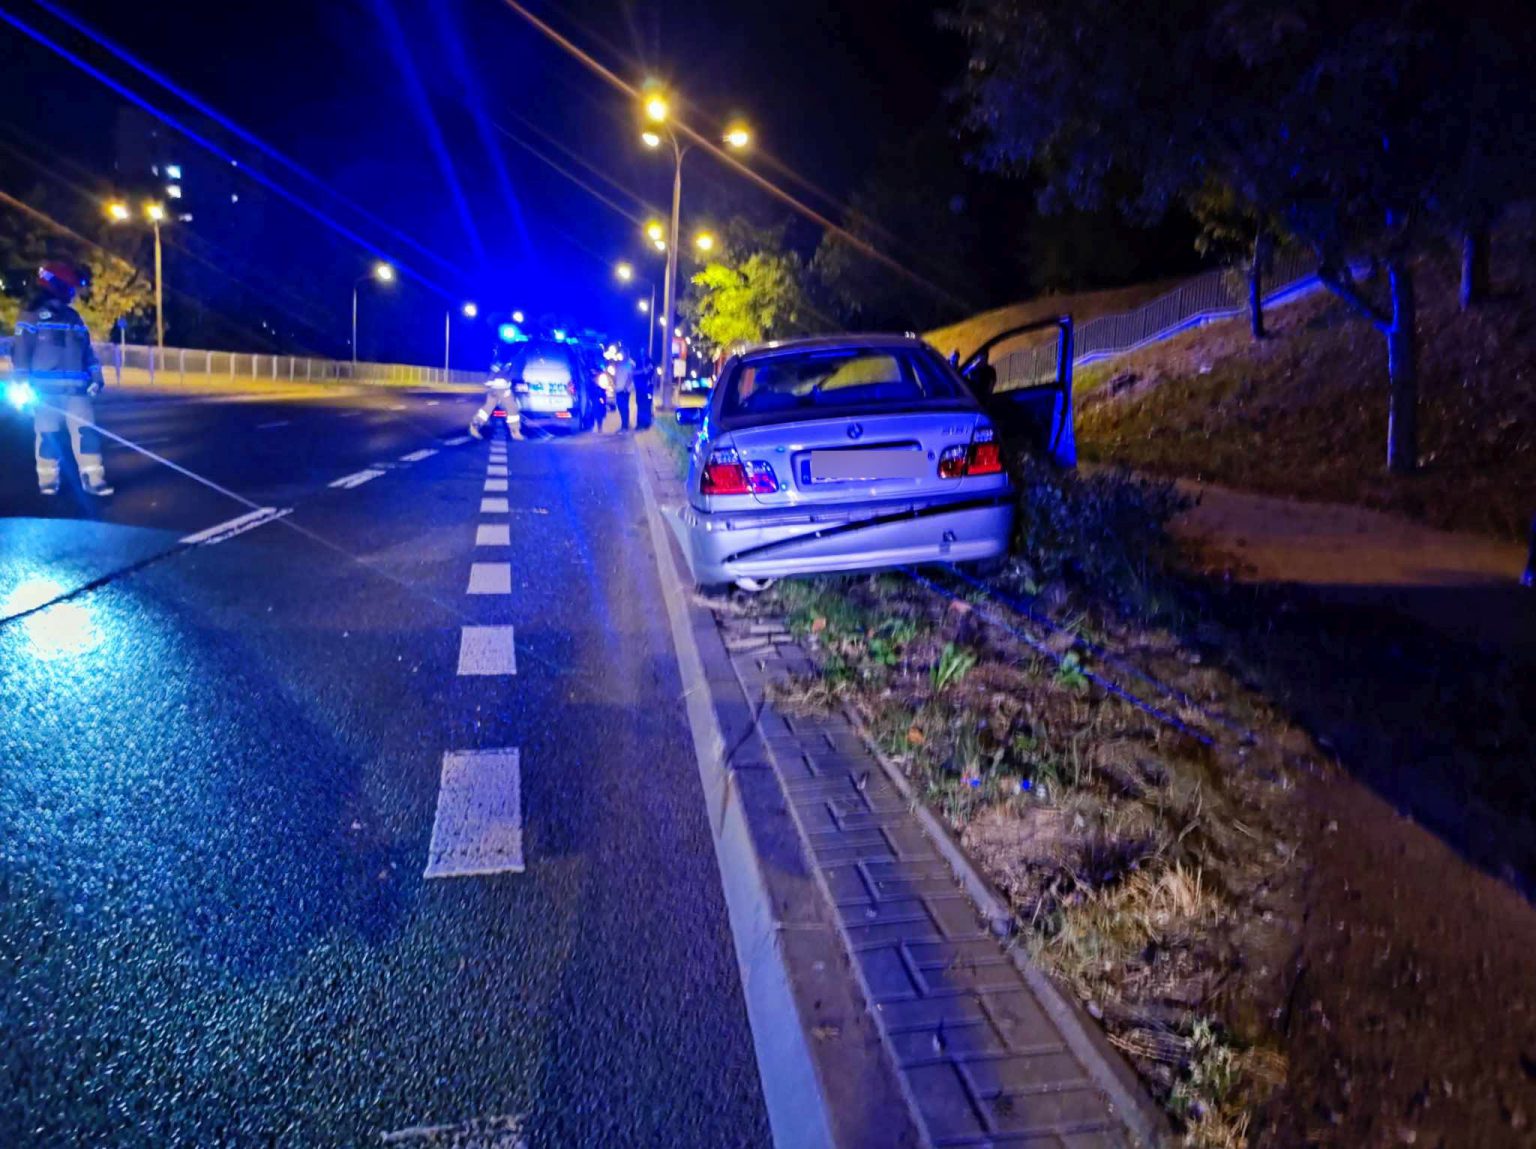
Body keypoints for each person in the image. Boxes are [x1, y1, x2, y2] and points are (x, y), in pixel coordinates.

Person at [13, 262, 112, 497]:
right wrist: (22, 387)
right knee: (48, 437)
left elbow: (88, 352)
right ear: (57, 285)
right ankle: (48, 481)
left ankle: (94, 480)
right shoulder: (32, 315)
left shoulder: (74, 318)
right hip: (45, 393)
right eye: (71, 287)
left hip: (77, 392)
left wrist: (96, 377)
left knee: (88, 436)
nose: (73, 293)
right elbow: (20, 354)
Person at [469, 361, 521, 441]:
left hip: (494, 386)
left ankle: (475, 425)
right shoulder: (508, 356)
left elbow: (494, 369)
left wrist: (489, 382)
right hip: (501, 387)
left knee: (488, 408)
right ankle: (515, 431)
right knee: (512, 408)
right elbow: (508, 372)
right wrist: (506, 384)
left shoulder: (501, 356)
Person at [610, 344, 635, 432]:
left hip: (625, 389)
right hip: (618, 388)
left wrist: (626, 387)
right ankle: (624, 424)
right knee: (620, 407)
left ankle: (625, 425)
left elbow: (630, 376)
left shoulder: (630, 363)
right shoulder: (620, 363)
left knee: (624, 407)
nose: (622, 354)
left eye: (624, 353)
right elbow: (616, 374)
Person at [634, 354, 654, 429]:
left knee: (647, 405)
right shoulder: (638, 363)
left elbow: (649, 373)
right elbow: (635, 372)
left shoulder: (650, 363)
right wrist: (644, 370)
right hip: (639, 388)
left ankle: (647, 423)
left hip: (648, 388)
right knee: (639, 405)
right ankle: (639, 423)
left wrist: (643, 371)